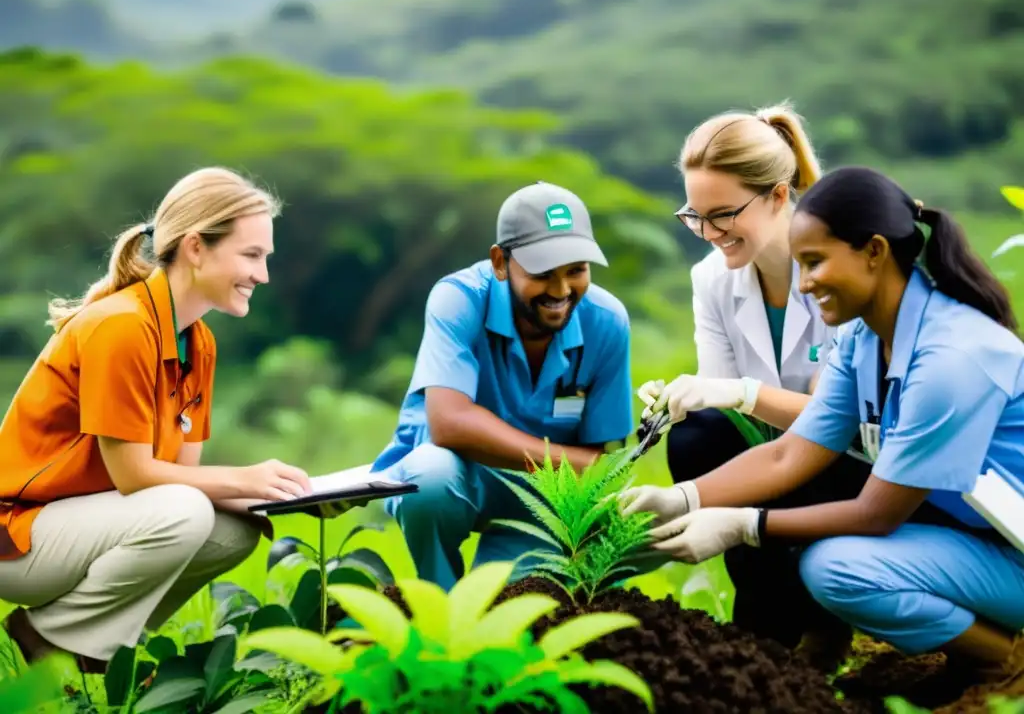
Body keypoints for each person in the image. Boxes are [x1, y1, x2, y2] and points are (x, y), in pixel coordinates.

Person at [626, 166, 1024, 684]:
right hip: (975, 533)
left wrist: (743, 526)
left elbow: (875, 514)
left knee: (836, 569)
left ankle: (1000, 659)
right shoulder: (863, 340)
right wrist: (684, 499)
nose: (806, 284)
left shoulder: (951, 355)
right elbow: (789, 454)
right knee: (825, 547)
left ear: (874, 251)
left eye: (815, 263)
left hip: (1012, 549)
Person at [0, 167, 313, 673]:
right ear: (195, 248)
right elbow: (136, 476)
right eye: (251, 255)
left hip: (81, 528)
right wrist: (243, 477)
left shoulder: (199, 341)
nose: (263, 274)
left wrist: (290, 495)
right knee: (185, 512)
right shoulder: (122, 327)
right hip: (16, 537)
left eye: (265, 258)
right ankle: (41, 640)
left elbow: (183, 472)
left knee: (235, 528)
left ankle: (96, 648)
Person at [629, 102, 868, 659]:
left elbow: (835, 421)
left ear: (779, 196)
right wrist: (683, 400)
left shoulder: (838, 271)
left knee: (789, 449)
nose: (707, 233)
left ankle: (823, 619)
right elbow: (722, 403)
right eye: (695, 216)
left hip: (854, 462)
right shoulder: (712, 278)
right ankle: (765, 617)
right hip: (774, 451)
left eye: (723, 215)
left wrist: (737, 392)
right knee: (696, 437)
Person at [372, 181, 634, 591]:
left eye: (576, 270)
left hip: (542, 498)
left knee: (514, 604)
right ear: (500, 262)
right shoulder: (458, 299)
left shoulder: (607, 322)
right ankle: (436, 602)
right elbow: (449, 424)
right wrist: (561, 458)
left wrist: (566, 467)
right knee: (430, 477)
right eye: (543, 273)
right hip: (460, 473)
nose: (561, 290)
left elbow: (599, 460)